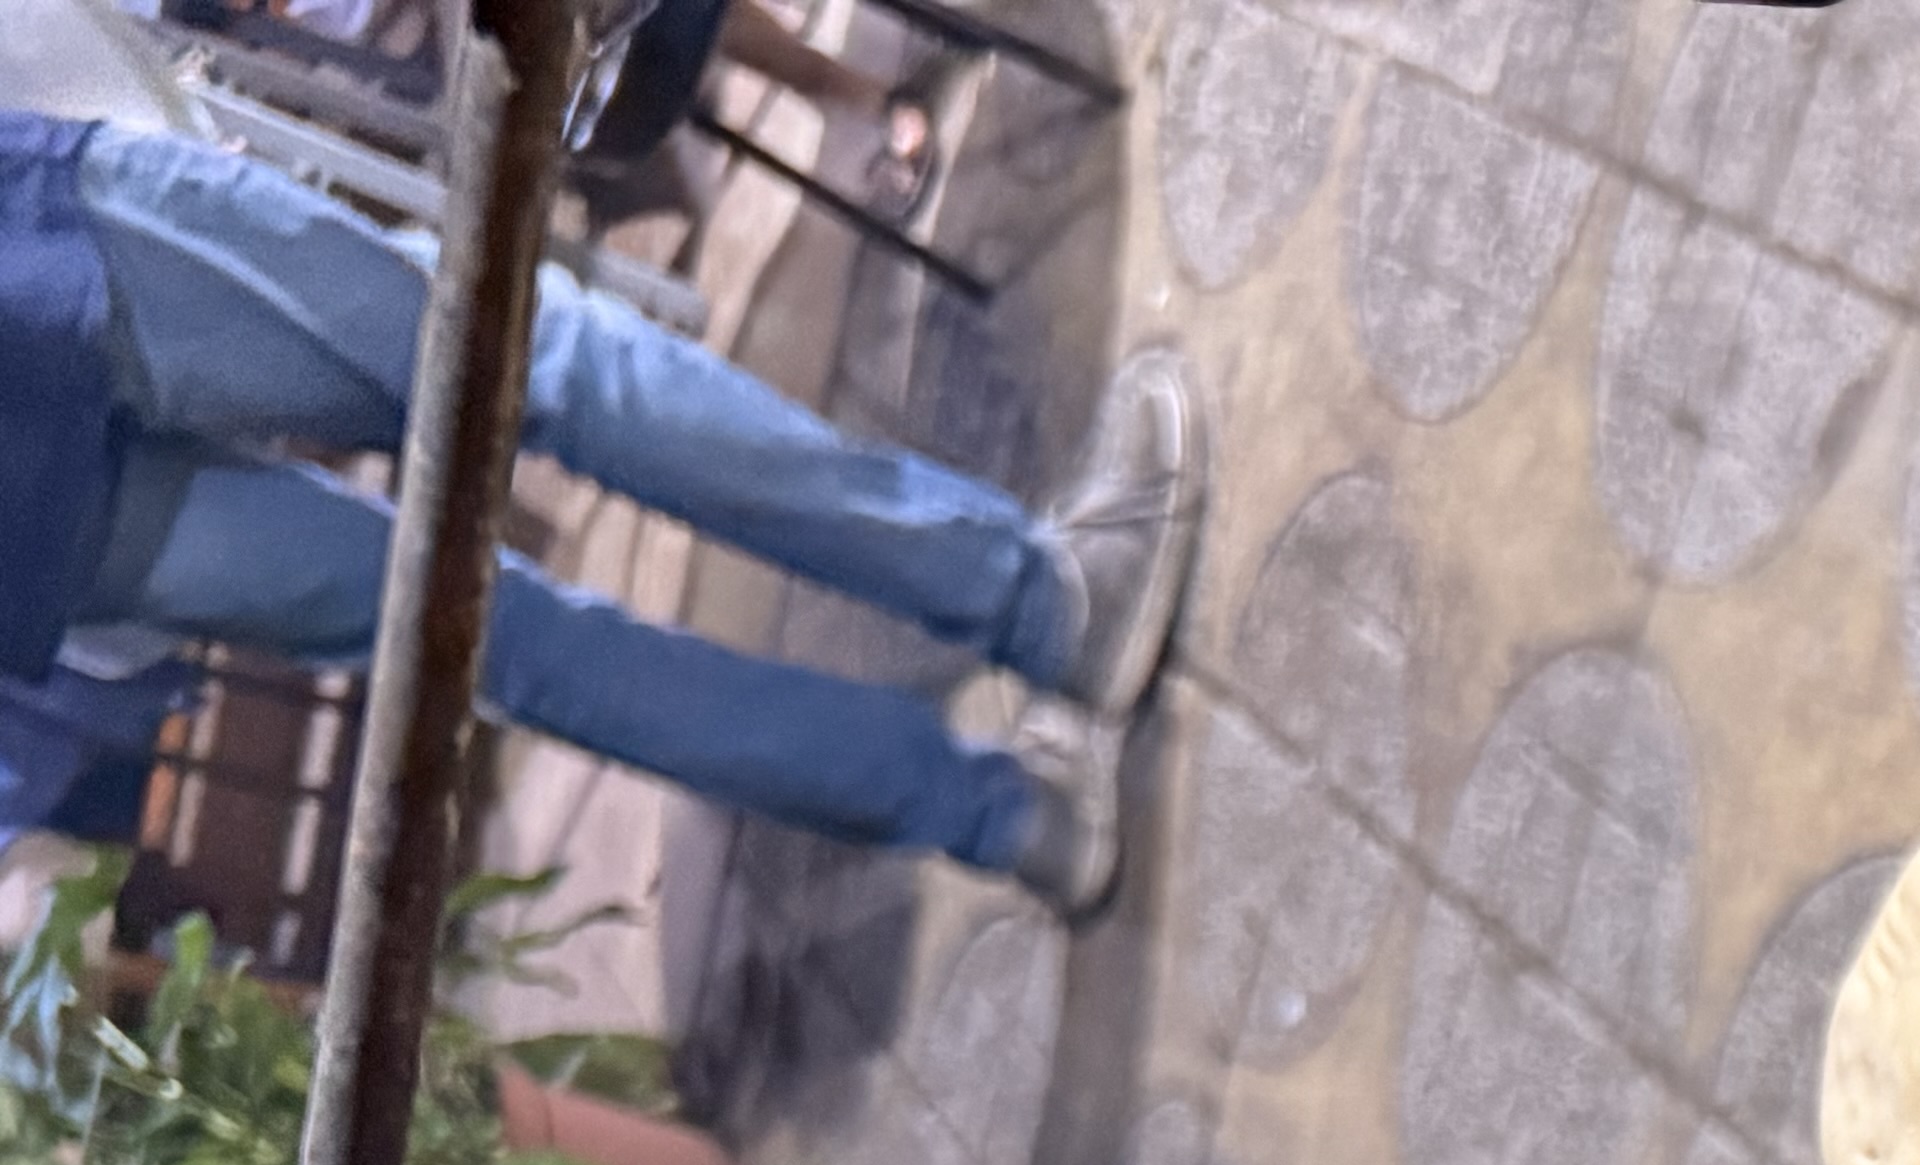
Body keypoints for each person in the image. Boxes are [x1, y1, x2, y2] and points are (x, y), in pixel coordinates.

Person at [0, 0, 1194, 908]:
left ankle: (1008, 818)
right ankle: (1046, 605)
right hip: (38, 264)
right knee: (541, 364)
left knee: (511, 641)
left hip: (27, 537)